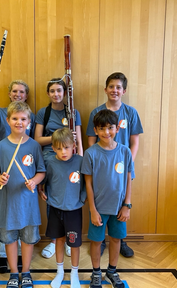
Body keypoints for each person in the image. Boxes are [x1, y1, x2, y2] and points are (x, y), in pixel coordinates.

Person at [0, 80, 35, 273]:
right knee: (1, 217)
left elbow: (34, 141)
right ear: (9, 94)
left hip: (23, 168)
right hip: (3, 166)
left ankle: (20, 259)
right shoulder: (1, 113)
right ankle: (2, 256)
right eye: (14, 91)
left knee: (22, 218)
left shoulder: (30, 118)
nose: (18, 94)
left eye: (22, 91)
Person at [86, 72, 143, 258]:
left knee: (120, 204)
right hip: (102, 168)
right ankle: (100, 239)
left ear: (124, 90)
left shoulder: (131, 112)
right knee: (102, 202)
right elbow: (90, 142)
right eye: (111, 86)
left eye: (118, 87)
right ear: (105, 89)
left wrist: (128, 165)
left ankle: (119, 240)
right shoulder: (96, 112)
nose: (115, 90)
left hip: (123, 166)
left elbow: (134, 142)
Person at [0, 101, 46, 288]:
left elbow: (41, 171)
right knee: (10, 239)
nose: (19, 122)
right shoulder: (1, 146)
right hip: (8, 203)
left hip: (28, 204)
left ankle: (26, 272)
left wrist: (35, 181)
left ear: (29, 122)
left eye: (23, 119)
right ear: (7, 120)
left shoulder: (34, 146)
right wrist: (0, 179)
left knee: (29, 240)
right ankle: (14, 273)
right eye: (15, 118)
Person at [82, 109, 133, 288]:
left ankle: (112, 271)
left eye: (110, 128)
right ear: (95, 130)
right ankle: (96, 273)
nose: (106, 132)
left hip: (119, 208)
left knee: (116, 239)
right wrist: (93, 210)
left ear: (117, 128)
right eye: (102, 129)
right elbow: (88, 184)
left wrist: (127, 205)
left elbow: (128, 179)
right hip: (99, 209)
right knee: (96, 241)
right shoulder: (90, 153)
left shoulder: (125, 152)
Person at [35, 77, 83, 259]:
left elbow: (77, 138)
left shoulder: (73, 112)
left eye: (59, 91)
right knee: (52, 197)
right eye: (52, 91)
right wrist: (58, 137)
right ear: (48, 93)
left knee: (71, 197)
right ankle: (55, 240)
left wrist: (81, 159)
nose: (56, 94)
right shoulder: (43, 113)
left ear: (65, 93)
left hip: (71, 158)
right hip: (50, 157)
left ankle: (70, 238)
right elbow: (37, 139)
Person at [39, 128, 86, 288]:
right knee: (58, 240)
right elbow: (44, 180)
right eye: (58, 148)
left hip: (74, 210)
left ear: (73, 145)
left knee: (74, 244)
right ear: (53, 148)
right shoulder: (50, 162)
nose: (63, 152)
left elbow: (87, 183)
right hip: (55, 209)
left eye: (66, 147)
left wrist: (82, 198)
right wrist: (40, 188)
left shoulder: (80, 161)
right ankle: (59, 272)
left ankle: (74, 273)